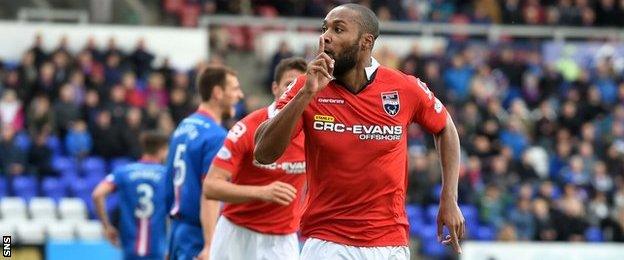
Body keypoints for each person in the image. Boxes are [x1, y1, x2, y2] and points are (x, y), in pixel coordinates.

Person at [254, 3, 464, 259]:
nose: (325, 36)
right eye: (325, 28)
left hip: (389, 242)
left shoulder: (404, 88)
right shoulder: (305, 86)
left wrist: (449, 197)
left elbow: (446, 128)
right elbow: (263, 153)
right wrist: (306, 94)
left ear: (365, 42)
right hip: (327, 240)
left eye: (338, 29)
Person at [202, 58, 307, 259]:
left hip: (282, 239)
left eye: (301, 85)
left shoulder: (314, 131)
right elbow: (211, 187)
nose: (296, 91)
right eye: (289, 84)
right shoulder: (248, 128)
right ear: (275, 88)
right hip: (237, 233)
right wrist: (262, 192)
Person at [165, 65, 244, 259]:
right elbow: (210, 192)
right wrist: (210, 244)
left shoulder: (184, 126)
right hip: (197, 234)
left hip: (177, 230)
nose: (240, 95)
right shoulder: (215, 136)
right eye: (234, 89)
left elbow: (168, 180)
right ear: (217, 92)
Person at [91, 131, 170, 259]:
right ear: (162, 150)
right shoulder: (166, 175)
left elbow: (97, 194)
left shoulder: (123, 172)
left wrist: (107, 226)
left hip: (130, 247)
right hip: (156, 247)